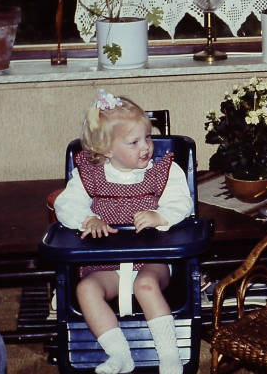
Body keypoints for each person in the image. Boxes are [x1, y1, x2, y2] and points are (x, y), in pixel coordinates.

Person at [54, 89, 193, 374]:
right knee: (86, 289)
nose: (146, 147)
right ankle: (119, 354)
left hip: (152, 261)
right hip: (105, 264)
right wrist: (87, 219)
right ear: (107, 150)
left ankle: (170, 357)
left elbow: (183, 203)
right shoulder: (88, 175)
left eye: (148, 138)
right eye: (134, 142)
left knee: (145, 286)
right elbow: (65, 204)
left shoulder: (165, 172)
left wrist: (160, 215)